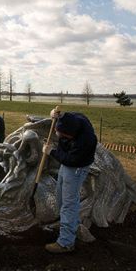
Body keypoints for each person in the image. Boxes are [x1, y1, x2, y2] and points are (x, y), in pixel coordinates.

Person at [42, 109, 98, 254]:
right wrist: (56, 114)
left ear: (71, 136)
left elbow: (71, 160)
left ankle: (66, 242)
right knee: (60, 196)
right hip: (67, 165)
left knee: (69, 203)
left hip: (76, 168)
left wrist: (51, 152)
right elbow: (66, 114)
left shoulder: (85, 141)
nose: (57, 135)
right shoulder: (75, 118)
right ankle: (68, 225)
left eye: (62, 136)